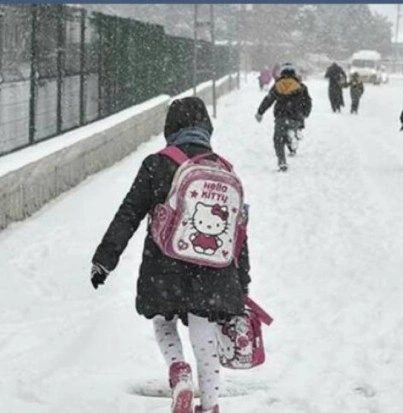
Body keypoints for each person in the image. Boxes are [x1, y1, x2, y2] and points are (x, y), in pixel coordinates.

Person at [91, 97, 250, 413]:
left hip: (164, 267)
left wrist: (104, 259)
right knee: (204, 330)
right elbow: (238, 235)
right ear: (206, 128)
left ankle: (179, 373)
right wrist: (241, 282)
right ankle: (212, 404)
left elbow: (129, 214)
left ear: (170, 128)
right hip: (214, 271)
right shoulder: (222, 169)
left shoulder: (157, 164)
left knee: (164, 322)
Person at [255, 63, 312, 172]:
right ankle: (292, 138)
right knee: (291, 131)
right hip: (295, 117)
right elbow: (307, 102)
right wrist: (305, 114)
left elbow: (268, 100)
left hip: (281, 116)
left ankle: (282, 162)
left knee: (278, 140)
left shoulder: (277, 85)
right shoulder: (301, 87)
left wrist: (260, 112)